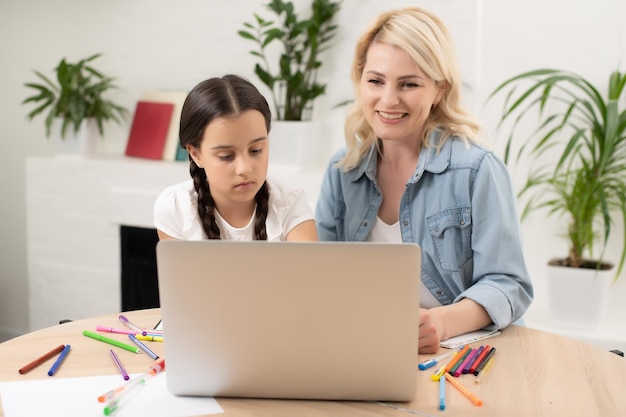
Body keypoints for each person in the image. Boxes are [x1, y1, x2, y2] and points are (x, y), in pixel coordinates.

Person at [315, 7, 533, 353]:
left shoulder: (477, 169)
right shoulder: (342, 171)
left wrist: (441, 323)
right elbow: (320, 276)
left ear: (439, 91)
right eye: (375, 80)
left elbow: (508, 284)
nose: (388, 99)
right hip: (371, 346)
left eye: (409, 84)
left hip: (463, 354)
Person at [154, 74, 318, 242]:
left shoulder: (290, 205)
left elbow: (309, 269)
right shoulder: (176, 207)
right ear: (196, 154)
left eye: (255, 150)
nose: (245, 168)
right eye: (226, 156)